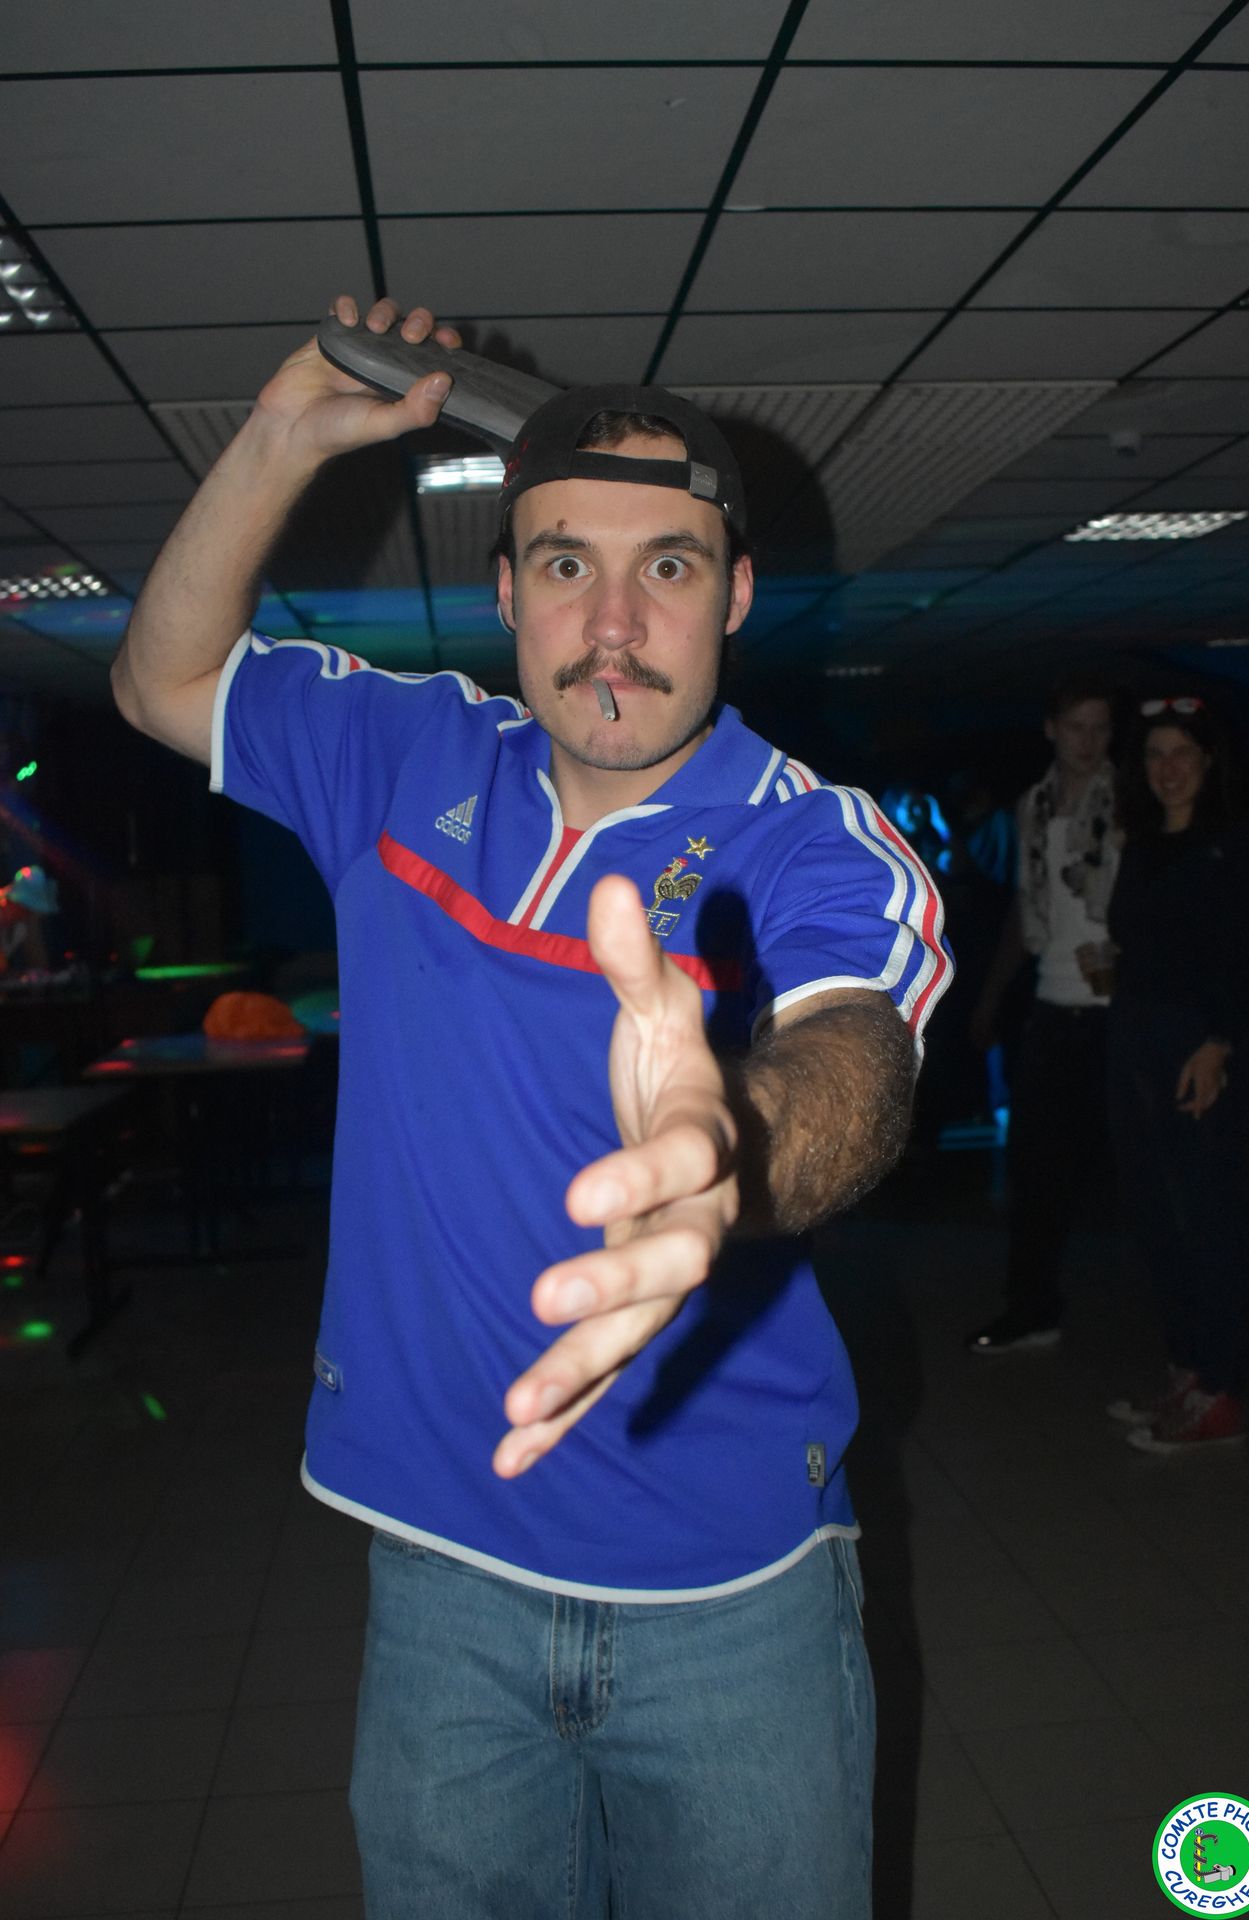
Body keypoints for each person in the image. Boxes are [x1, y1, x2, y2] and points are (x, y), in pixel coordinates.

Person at [111, 294, 951, 1919]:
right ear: (505, 591)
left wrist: (735, 1152)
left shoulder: (814, 840)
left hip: (731, 1590)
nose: (613, 622)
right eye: (567, 563)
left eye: (669, 567)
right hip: (441, 1571)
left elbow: (859, 1056)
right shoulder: (399, 754)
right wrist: (281, 436)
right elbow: (164, 680)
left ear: (736, 596)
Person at [1105, 696, 1249, 1452]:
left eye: (1181, 753)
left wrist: (1217, 1044)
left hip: (1205, 1046)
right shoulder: (1145, 843)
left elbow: (1243, 953)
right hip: (1139, 1039)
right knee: (1158, 1214)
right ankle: (1188, 1367)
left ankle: (1221, 1386)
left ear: (1209, 760)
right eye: (1154, 754)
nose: (1167, 769)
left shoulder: (1237, 843)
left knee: (1212, 1218)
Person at [967, 678, 1120, 1352]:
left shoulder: (1130, 803)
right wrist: (991, 997)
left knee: (1144, 1170)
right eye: (1078, 727)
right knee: (1035, 1170)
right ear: (1052, 729)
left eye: (1101, 728)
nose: (1090, 741)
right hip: (1056, 1006)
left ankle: (1197, 1342)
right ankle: (1031, 1310)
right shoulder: (1033, 807)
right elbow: (1024, 910)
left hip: (1123, 1011)